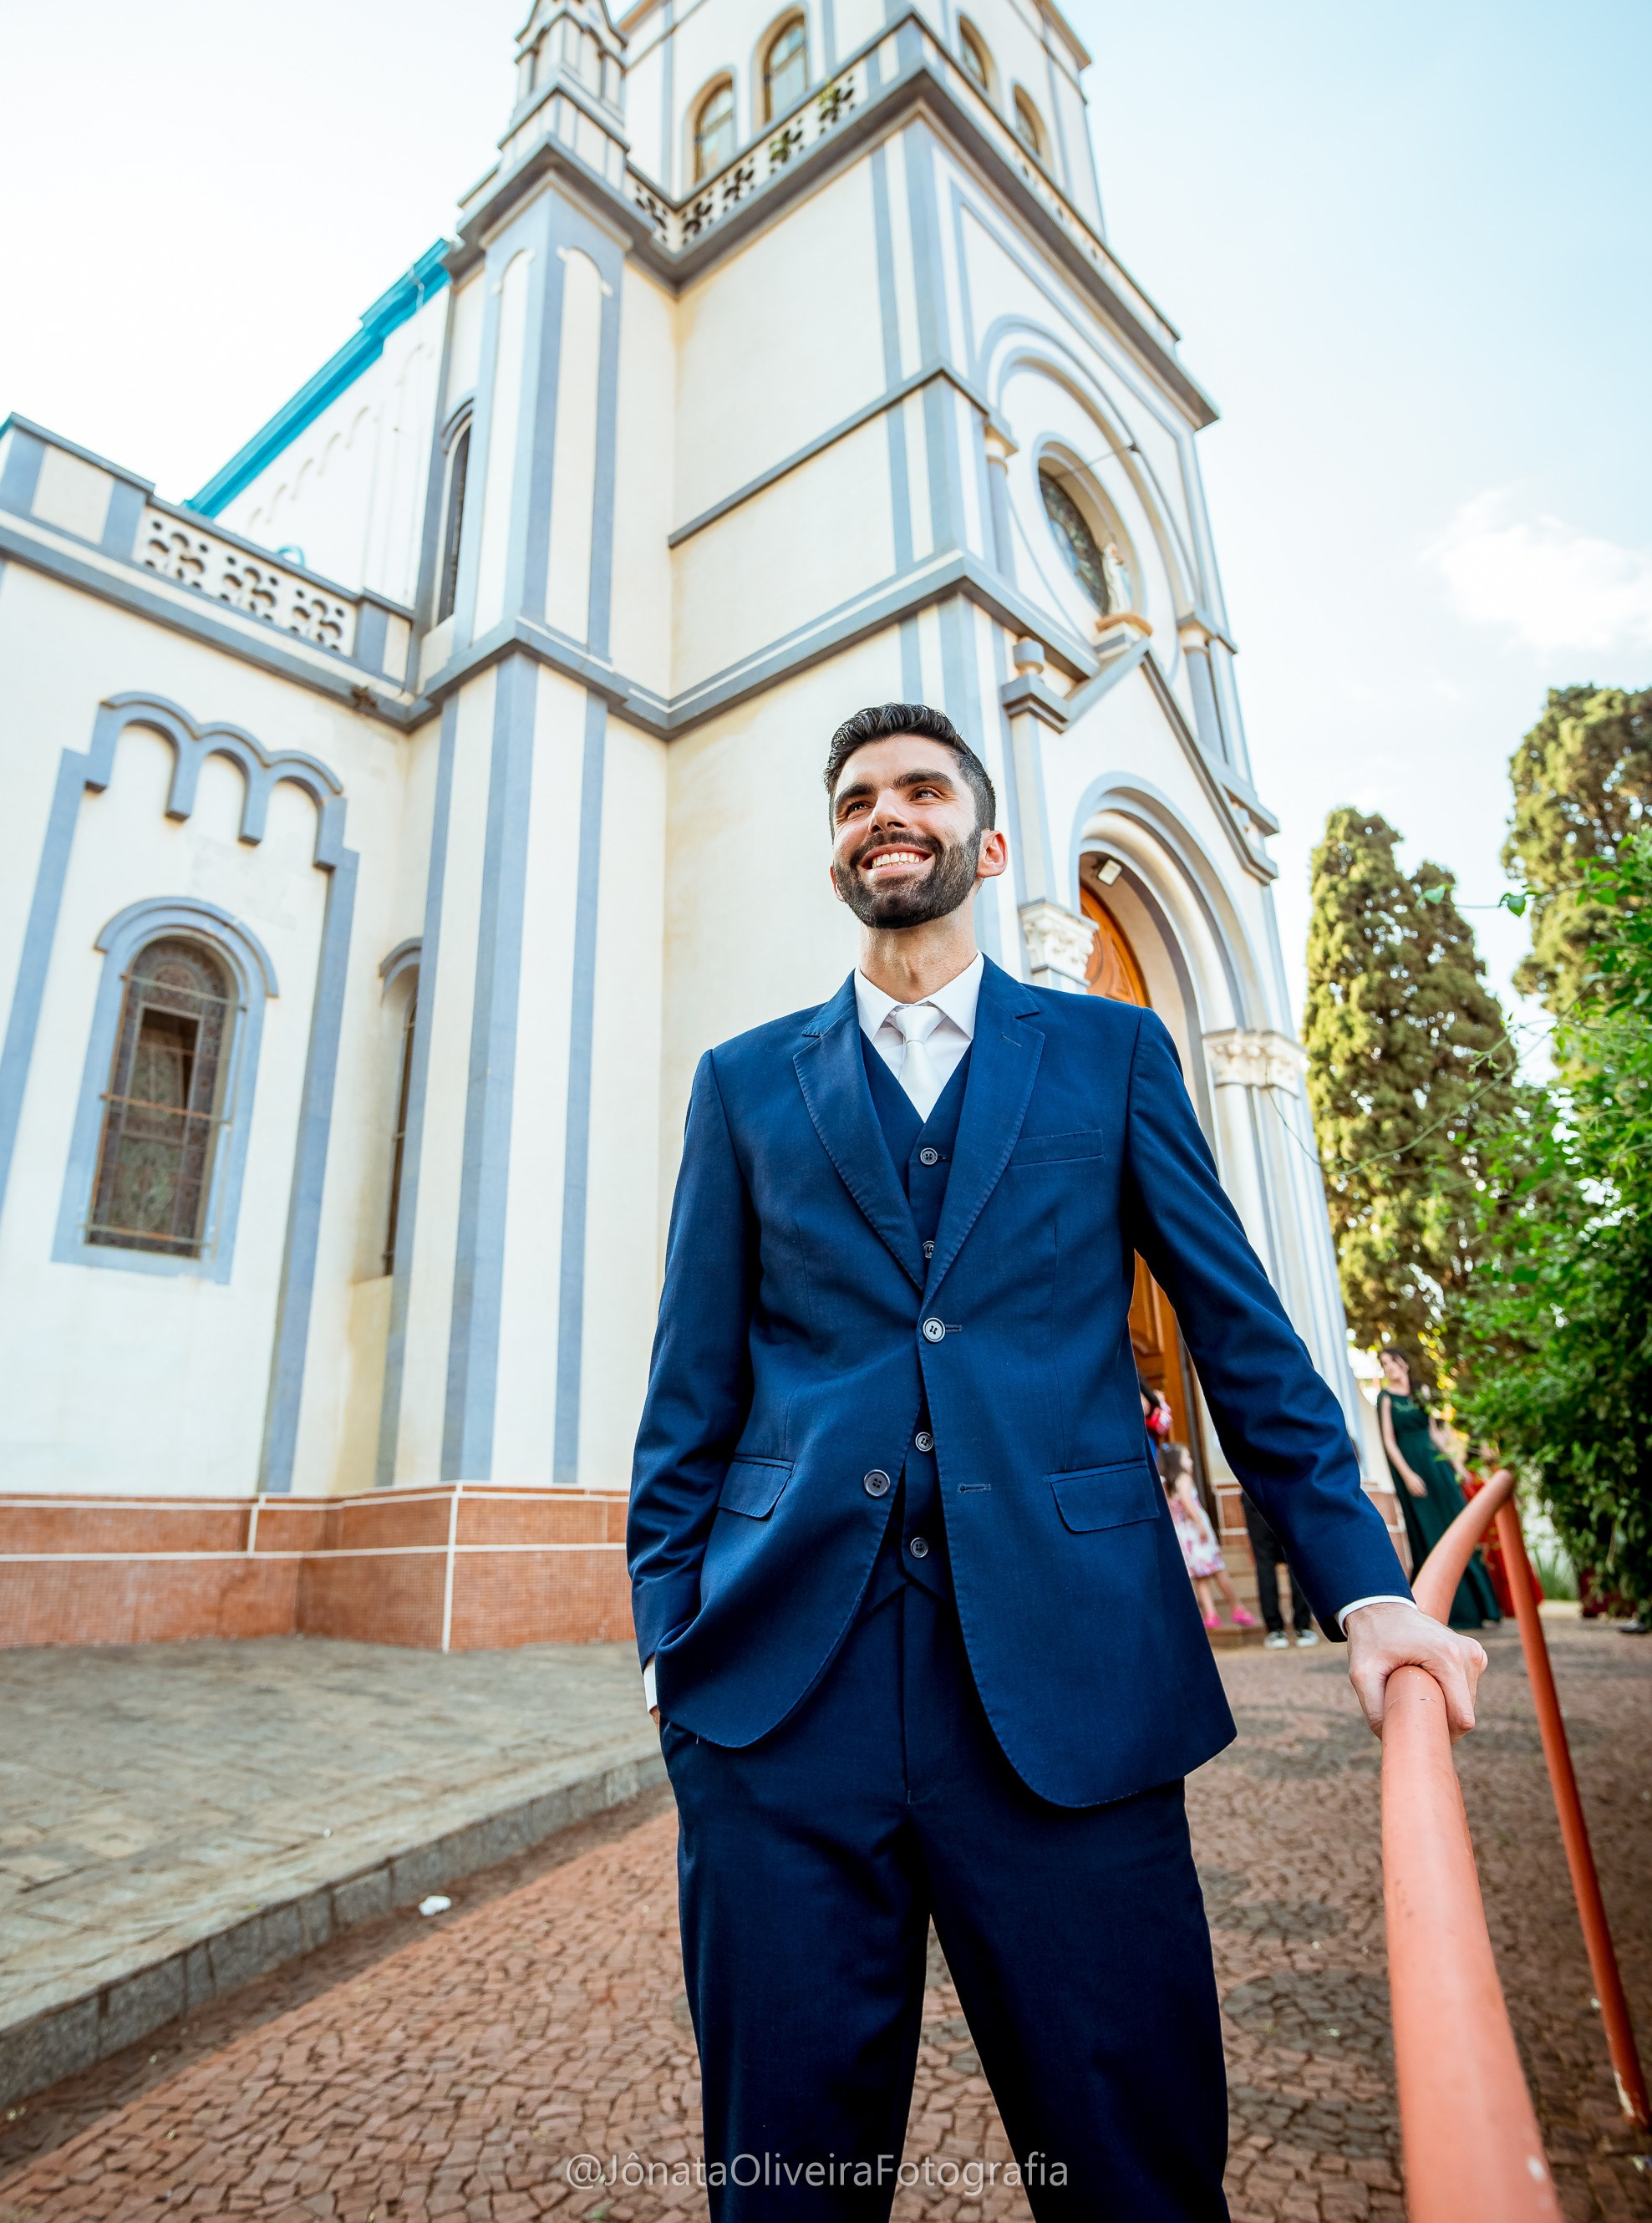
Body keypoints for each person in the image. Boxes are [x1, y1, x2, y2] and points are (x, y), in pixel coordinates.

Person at [629, 703, 1488, 2222]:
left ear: (987, 840)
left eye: (919, 791)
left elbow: (1243, 1333)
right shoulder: (746, 1083)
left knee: (1130, 2169)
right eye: (855, 800)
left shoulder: (1110, 1054)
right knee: (783, 2184)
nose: (885, 815)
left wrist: (1365, 1593)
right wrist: (668, 1646)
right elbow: (688, 1395)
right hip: (780, 1701)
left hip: (1074, 1684)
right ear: (834, 848)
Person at [1376, 1349, 1501, 1631]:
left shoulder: (1422, 1391)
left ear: (1404, 1362)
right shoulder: (1385, 1399)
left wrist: (1456, 1465)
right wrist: (1407, 1475)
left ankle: (1484, 1608)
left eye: (1392, 1361)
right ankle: (1450, 1612)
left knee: (1458, 1527)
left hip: (1437, 1466)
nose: (1389, 1368)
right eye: (1384, 1364)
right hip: (1413, 1471)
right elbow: (1389, 1441)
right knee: (1431, 1533)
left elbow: (1434, 1433)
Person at [1159, 1444, 1257, 1630]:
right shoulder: (1184, 1479)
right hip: (1196, 1531)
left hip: (1184, 1533)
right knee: (1217, 1569)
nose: (1191, 1461)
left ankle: (1210, 1612)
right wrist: (1200, 1524)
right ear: (1177, 1462)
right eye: (1187, 1457)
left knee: (1200, 1576)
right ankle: (1237, 1606)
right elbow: (1189, 1504)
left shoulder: (1168, 1485)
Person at [1241, 1490, 1318, 1648]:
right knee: (1296, 1559)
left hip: (1254, 1493)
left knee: (1265, 1564)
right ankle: (1302, 1627)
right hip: (1285, 1491)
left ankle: (1275, 1630)